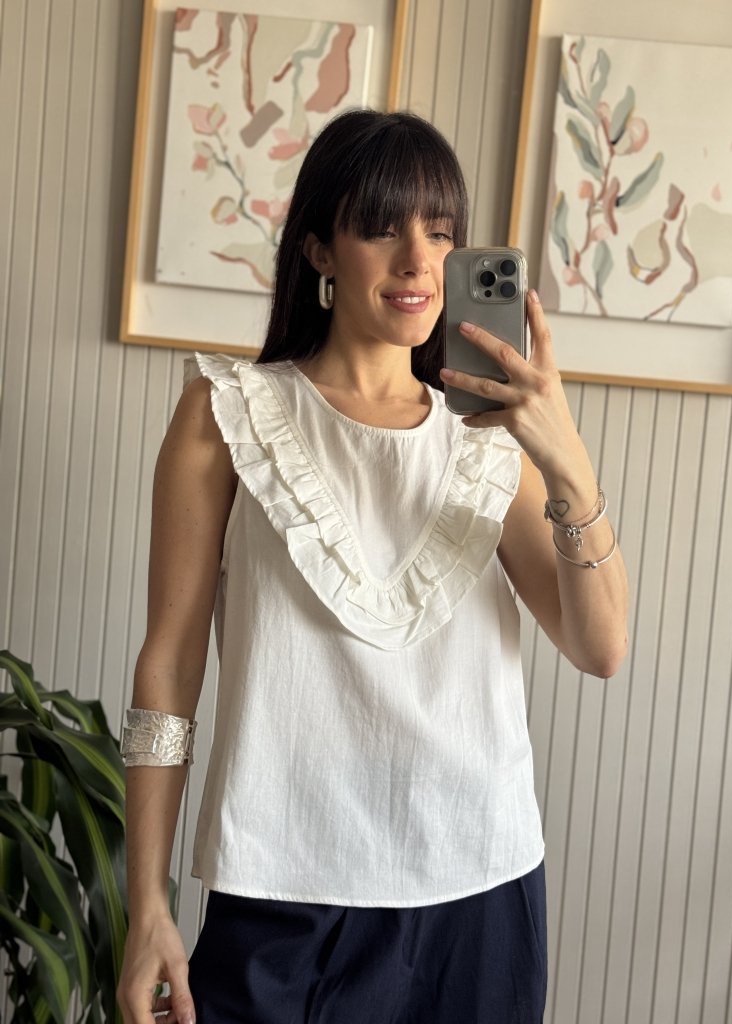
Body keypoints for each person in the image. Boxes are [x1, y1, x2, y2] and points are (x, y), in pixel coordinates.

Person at [116, 109, 628, 1024]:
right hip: (280, 883)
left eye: (441, 232)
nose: (418, 261)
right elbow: (169, 666)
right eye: (382, 227)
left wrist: (566, 459)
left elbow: (602, 648)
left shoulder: (490, 442)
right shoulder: (225, 413)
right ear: (319, 248)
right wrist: (145, 903)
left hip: (479, 888)